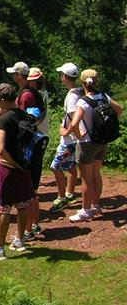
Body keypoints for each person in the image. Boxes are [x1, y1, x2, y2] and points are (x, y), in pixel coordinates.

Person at [62, 69, 123, 222]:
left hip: (87, 144)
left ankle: (85, 210)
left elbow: (74, 123)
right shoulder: (103, 96)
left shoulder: (83, 101)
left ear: (82, 83)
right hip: (102, 142)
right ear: (96, 81)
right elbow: (120, 110)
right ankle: (96, 204)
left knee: (86, 179)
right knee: (96, 174)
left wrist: (70, 132)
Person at [0, 83, 36, 260]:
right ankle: (19, 240)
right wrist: (20, 164)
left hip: (7, 168)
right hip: (24, 167)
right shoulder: (24, 115)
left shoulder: (3, 119)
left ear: (1, 101)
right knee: (22, 205)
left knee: (4, 209)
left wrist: (11, 162)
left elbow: (0, 147)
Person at [7, 62, 45, 241]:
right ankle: (34, 224)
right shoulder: (32, 92)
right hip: (33, 142)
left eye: (14, 74)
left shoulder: (26, 96)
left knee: (28, 189)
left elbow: (22, 122)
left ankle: (29, 229)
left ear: (20, 76)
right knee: (32, 189)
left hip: (27, 145)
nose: (13, 77)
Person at [49, 62, 81, 213]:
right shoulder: (80, 91)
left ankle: (62, 198)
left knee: (55, 167)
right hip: (76, 140)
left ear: (64, 77)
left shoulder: (72, 96)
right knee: (72, 166)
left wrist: (67, 131)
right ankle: (69, 193)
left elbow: (75, 117)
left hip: (70, 140)